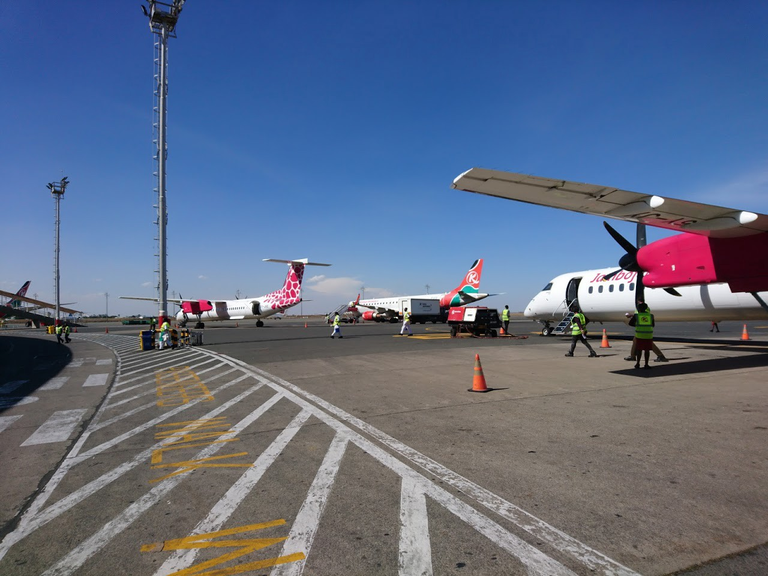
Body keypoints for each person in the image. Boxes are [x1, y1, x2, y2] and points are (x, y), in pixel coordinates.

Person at [628, 302, 654, 369]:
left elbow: (630, 323)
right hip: (648, 336)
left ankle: (638, 363)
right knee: (647, 351)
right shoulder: (651, 316)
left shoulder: (636, 316)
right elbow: (653, 325)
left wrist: (637, 325)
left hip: (639, 335)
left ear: (638, 309)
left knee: (639, 350)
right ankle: (646, 364)